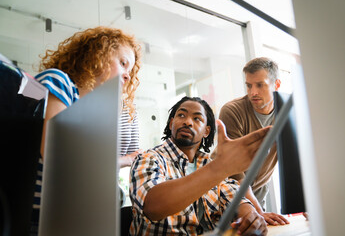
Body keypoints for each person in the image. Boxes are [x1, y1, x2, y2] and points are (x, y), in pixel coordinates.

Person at [30, 26, 142, 234]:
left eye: (130, 71)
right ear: (98, 53)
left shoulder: (89, 112)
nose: (127, 75)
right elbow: (58, 156)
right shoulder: (60, 82)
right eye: (123, 63)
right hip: (36, 218)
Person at [130, 96, 270, 235]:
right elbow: (152, 206)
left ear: (206, 131)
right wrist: (220, 167)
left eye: (197, 118)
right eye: (181, 115)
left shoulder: (208, 164)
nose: (188, 122)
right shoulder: (148, 158)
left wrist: (251, 218)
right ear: (172, 122)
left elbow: (235, 198)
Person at [218, 57, 289, 225]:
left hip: (258, 196)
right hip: (226, 197)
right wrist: (258, 211)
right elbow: (234, 171)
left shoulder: (286, 114)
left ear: (276, 85)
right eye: (249, 85)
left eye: (260, 85)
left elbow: (297, 162)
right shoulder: (232, 111)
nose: (253, 92)